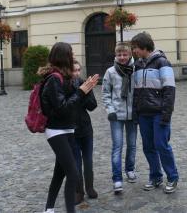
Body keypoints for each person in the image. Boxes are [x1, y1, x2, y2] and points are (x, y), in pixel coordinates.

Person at [38, 42, 99, 213]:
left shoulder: (64, 77)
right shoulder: (53, 79)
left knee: (60, 173)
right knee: (73, 173)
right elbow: (62, 108)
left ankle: (49, 209)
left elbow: (86, 104)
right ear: (63, 56)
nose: (73, 56)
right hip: (56, 131)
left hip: (68, 129)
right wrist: (81, 91)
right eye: (70, 53)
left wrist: (84, 89)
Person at [130, 32, 179, 194]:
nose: (134, 51)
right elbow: (136, 91)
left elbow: (169, 90)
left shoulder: (162, 62)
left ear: (144, 47)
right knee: (148, 147)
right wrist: (136, 112)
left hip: (159, 113)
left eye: (135, 47)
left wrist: (166, 115)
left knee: (161, 145)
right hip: (144, 113)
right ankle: (155, 176)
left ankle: (172, 177)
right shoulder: (137, 64)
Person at [102, 42, 137, 194]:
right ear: (115, 55)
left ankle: (130, 169)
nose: (122, 57)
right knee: (117, 147)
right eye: (119, 54)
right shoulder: (110, 72)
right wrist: (110, 110)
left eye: (125, 54)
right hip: (116, 114)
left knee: (132, 145)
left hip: (133, 114)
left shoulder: (137, 69)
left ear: (130, 55)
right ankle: (117, 178)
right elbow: (105, 93)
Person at [71, 60, 98, 204]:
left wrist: (86, 91)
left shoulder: (84, 82)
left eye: (78, 70)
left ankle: (90, 187)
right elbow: (68, 105)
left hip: (86, 128)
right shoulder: (65, 85)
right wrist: (79, 92)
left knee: (88, 160)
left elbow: (93, 106)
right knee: (76, 162)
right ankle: (78, 191)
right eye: (73, 70)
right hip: (72, 130)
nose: (76, 73)